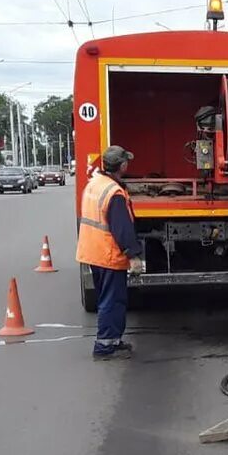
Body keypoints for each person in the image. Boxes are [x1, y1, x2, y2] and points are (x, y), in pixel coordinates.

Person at [75, 145, 146, 359]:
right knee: (112, 301)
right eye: (127, 162)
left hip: (93, 251)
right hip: (108, 255)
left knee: (108, 299)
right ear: (122, 166)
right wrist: (133, 255)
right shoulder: (114, 193)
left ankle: (112, 340)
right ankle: (105, 346)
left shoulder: (94, 184)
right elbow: (122, 229)